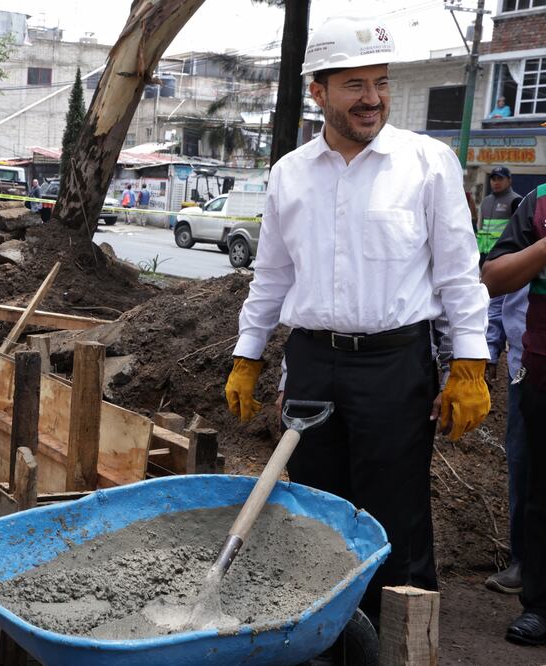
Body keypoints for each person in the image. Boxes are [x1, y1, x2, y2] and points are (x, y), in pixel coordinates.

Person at [224, 16, 491, 625]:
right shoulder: (289, 174)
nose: (372, 98)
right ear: (317, 91)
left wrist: (470, 364)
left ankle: (400, 642)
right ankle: (331, 637)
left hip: (394, 366)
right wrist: (248, 354)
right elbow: (272, 276)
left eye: (380, 82)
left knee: (396, 515)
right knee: (319, 509)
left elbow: (458, 273)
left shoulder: (427, 163)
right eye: (354, 85)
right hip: (314, 362)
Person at [482, 185, 546, 645]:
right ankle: (537, 596)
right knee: (534, 484)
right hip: (537, 369)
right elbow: (493, 279)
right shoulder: (537, 203)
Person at [484, 285, 529, 595]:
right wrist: (488, 348)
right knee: (525, 466)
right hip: (527, 369)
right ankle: (525, 561)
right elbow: (498, 290)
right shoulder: (526, 234)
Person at [478, 166, 522, 261]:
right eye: (493, 179)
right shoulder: (485, 201)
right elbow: (480, 227)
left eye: (500, 179)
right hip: (483, 253)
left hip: (503, 253)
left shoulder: (516, 200)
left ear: (509, 180)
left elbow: (519, 230)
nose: (496, 182)